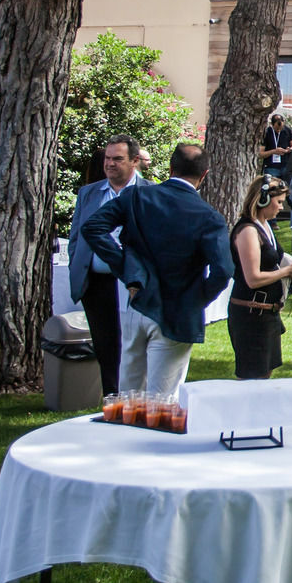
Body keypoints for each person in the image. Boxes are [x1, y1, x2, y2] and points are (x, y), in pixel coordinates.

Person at [81, 143, 235, 397]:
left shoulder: (137, 197)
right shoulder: (208, 217)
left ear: (171, 168)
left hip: (137, 301)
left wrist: (126, 269)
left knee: (127, 396)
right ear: (205, 175)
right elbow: (224, 270)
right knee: (162, 400)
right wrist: (196, 299)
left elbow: (92, 228)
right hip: (175, 309)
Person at [66, 135, 149, 396]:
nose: (110, 164)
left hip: (132, 281)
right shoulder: (89, 193)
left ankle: (137, 397)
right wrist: (76, 263)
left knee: (133, 342)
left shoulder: (150, 193)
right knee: (105, 343)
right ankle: (111, 397)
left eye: (117, 159)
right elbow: (77, 236)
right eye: (107, 159)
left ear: (134, 161)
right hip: (96, 281)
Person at [228, 176, 292, 379]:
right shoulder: (248, 230)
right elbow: (253, 278)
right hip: (251, 314)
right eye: (279, 202)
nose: (281, 207)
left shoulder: (263, 226)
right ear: (263, 200)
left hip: (266, 313)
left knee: (264, 375)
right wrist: (287, 272)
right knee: (252, 379)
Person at [259, 113, 292, 179]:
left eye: (281, 128)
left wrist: (288, 150)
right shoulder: (267, 132)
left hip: (285, 165)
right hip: (271, 166)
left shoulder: (287, 130)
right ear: (272, 124)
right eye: (277, 128)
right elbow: (261, 154)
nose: (279, 130)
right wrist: (274, 151)